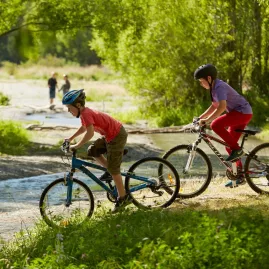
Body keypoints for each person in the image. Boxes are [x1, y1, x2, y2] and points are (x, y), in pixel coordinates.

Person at [62, 89, 132, 212]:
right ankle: (110, 171)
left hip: (117, 135)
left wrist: (77, 145)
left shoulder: (86, 113)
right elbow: (84, 128)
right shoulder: (84, 113)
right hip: (109, 135)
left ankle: (123, 198)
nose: (69, 111)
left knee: (114, 169)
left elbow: (90, 133)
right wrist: (71, 138)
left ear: (78, 105)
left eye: (69, 108)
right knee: (92, 151)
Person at [194, 64, 253, 187]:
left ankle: (237, 150)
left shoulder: (219, 87)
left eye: (201, 81)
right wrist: (200, 117)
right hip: (240, 114)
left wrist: (208, 120)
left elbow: (221, 107)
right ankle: (240, 175)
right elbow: (214, 106)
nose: (201, 84)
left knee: (216, 125)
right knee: (229, 147)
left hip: (242, 113)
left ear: (209, 79)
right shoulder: (214, 89)